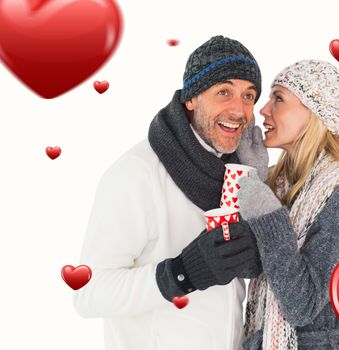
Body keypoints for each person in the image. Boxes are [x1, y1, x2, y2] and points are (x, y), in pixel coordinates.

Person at [73, 35, 267, 350]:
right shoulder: (138, 172)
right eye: (224, 92)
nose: (240, 110)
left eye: (248, 96)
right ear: (191, 98)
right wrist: (181, 273)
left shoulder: (235, 175)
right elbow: (87, 293)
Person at [237, 60, 339, 349]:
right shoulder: (281, 184)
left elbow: (302, 304)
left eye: (279, 99)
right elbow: (251, 267)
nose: (263, 110)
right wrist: (256, 178)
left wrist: (267, 215)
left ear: (315, 113)